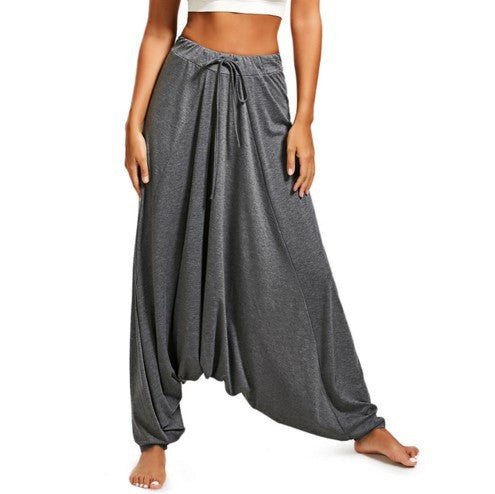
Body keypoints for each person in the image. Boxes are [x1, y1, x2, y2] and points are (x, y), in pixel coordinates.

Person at [125, 0, 418, 489]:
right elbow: (159, 28)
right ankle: (153, 437)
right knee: (162, 255)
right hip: (182, 87)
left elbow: (306, 17)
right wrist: (133, 124)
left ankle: (359, 420)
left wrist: (304, 119)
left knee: (304, 262)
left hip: (262, 91)